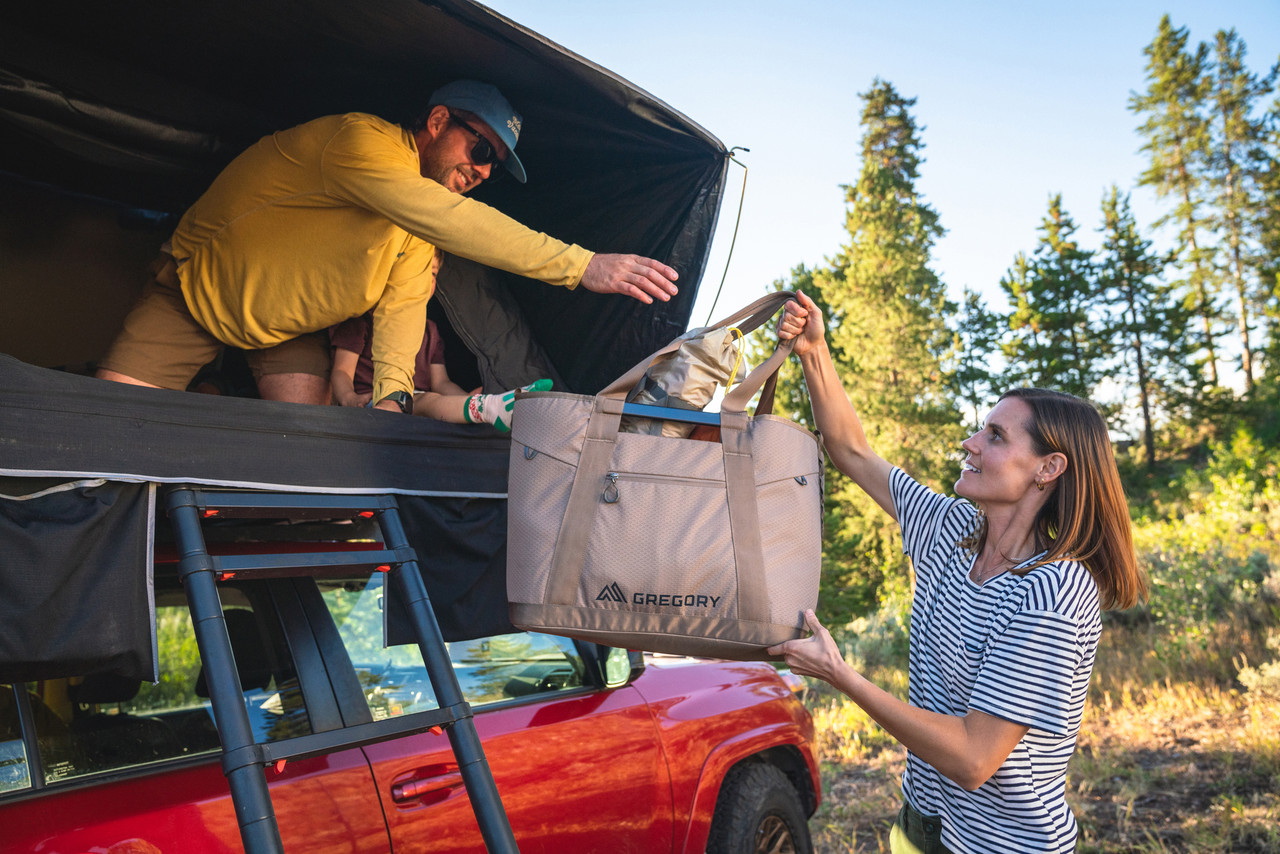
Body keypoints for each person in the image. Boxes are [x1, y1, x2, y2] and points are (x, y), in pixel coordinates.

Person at [768, 291, 1147, 854]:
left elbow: (974, 759)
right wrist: (813, 352)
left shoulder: (1055, 590)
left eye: (995, 435)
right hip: (922, 821)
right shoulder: (952, 528)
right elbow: (850, 451)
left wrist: (842, 676)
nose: (970, 443)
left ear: (1049, 468)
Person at [95, 80, 679, 412]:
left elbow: (402, 311)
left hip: (283, 331)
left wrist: (392, 399)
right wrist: (582, 265)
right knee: (100, 432)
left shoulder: (417, 229)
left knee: (299, 456)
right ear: (438, 121)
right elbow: (452, 219)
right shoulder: (363, 143)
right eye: (479, 152)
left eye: (493, 168)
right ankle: (211, 389)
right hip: (194, 295)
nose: (481, 172)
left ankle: (218, 395)